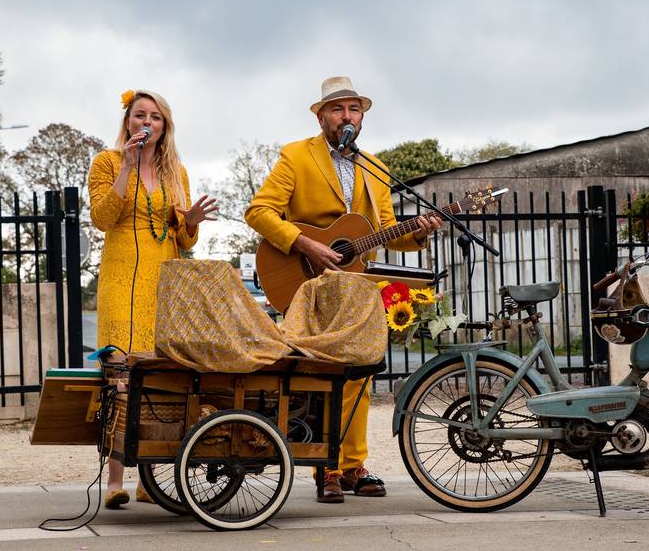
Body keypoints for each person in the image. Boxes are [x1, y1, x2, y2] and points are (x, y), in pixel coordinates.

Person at [245, 76, 441, 502]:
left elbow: (386, 232)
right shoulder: (296, 156)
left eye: (354, 109)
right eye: (337, 109)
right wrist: (306, 243)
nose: (346, 116)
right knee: (319, 376)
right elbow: (259, 212)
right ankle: (325, 469)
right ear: (321, 116)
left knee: (361, 375)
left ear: (362, 116)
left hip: (357, 290)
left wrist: (421, 234)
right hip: (307, 284)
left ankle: (353, 466)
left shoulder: (376, 169)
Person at [88, 89, 218, 509]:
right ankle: (114, 481)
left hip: (163, 276)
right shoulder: (106, 163)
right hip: (121, 276)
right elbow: (102, 218)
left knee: (161, 375)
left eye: (155, 117)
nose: (147, 122)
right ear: (127, 122)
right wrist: (127, 165)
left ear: (165, 127)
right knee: (121, 374)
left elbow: (182, 236)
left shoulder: (175, 170)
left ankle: (152, 479)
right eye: (139, 115)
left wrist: (192, 221)